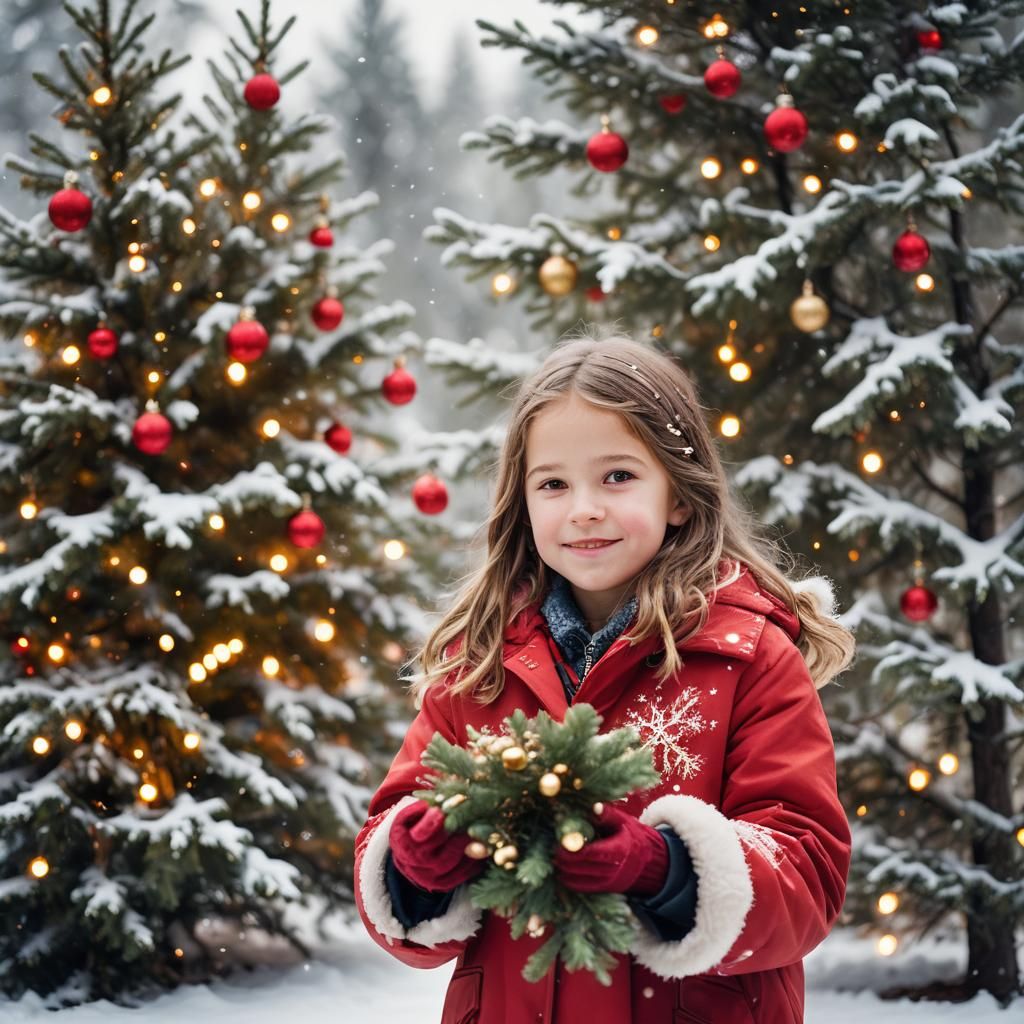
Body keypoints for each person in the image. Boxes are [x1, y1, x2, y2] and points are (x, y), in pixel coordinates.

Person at [354, 334, 854, 1024]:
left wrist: (666, 869)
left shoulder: (748, 657)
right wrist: (413, 867)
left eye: (617, 477)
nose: (583, 508)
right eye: (554, 484)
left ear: (679, 495)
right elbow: (395, 827)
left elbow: (808, 873)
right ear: (523, 504)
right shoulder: (480, 664)